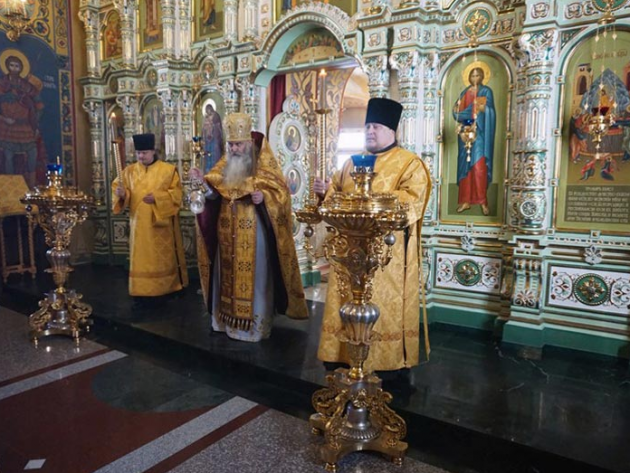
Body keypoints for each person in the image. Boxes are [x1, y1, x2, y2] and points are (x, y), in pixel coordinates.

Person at [313, 97, 432, 373]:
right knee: (345, 300)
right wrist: (325, 194)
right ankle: (341, 355)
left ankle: (383, 362)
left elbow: (413, 201)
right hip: (348, 251)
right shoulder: (351, 163)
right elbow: (335, 194)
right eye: (367, 127)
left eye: (375, 126)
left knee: (380, 303)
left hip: (385, 255)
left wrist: (369, 200)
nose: (369, 131)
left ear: (391, 130)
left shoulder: (409, 164)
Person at [190, 113, 308, 342]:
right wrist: (201, 182)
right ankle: (225, 322)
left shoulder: (263, 164)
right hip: (226, 233)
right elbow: (213, 193)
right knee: (226, 275)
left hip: (255, 234)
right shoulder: (224, 166)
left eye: (239, 144)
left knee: (257, 279)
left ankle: (254, 327)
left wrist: (264, 197)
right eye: (231, 145)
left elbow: (281, 194)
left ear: (249, 143)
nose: (234, 149)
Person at [112, 133, 188, 310]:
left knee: (160, 259)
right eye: (138, 153)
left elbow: (176, 195)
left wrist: (158, 198)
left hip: (160, 226)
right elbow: (120, 190)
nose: (141, 156)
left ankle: (164, 290)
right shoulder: (129, 171)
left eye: (144, 152)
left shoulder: (168, 170)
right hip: (138, 227)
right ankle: (140, 292)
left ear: (153, 151)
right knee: (141, 259)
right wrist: (122, 195)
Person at [453, 66, 496, 216]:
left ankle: (482, 201)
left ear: (482, 77)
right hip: (465, 134)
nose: (475, 78)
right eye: (472, 75)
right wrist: (462, 117)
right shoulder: (464, 92)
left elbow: (490, 112)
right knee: (465, 168)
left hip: (480, 134)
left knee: (478, 167)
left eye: (478, 75)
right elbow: (457, 113)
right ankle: (465, 201)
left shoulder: (486, 91)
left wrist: (483, 109)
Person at [0, 55, 44, 187]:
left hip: (25, 125)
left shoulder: (26, 86)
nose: (14, 68)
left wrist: (35, 121)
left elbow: (38, 104)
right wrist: (4, 118)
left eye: (17, 66)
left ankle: (31, 184)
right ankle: (10, 184)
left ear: (21, 68)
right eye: (11, 65)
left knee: (32, 152)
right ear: (7, 67)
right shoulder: (2, 84)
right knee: (8, 155)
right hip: (7, 126)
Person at [202, 103, 223, 173]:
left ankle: (215, 171)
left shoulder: (216, 116)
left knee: (215, 155)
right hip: (207, 142)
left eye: (209, 110)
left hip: (215, 141)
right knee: (207, 158)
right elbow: (203, 131)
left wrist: (212, 127)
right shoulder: (206, 117)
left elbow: (218, 129)